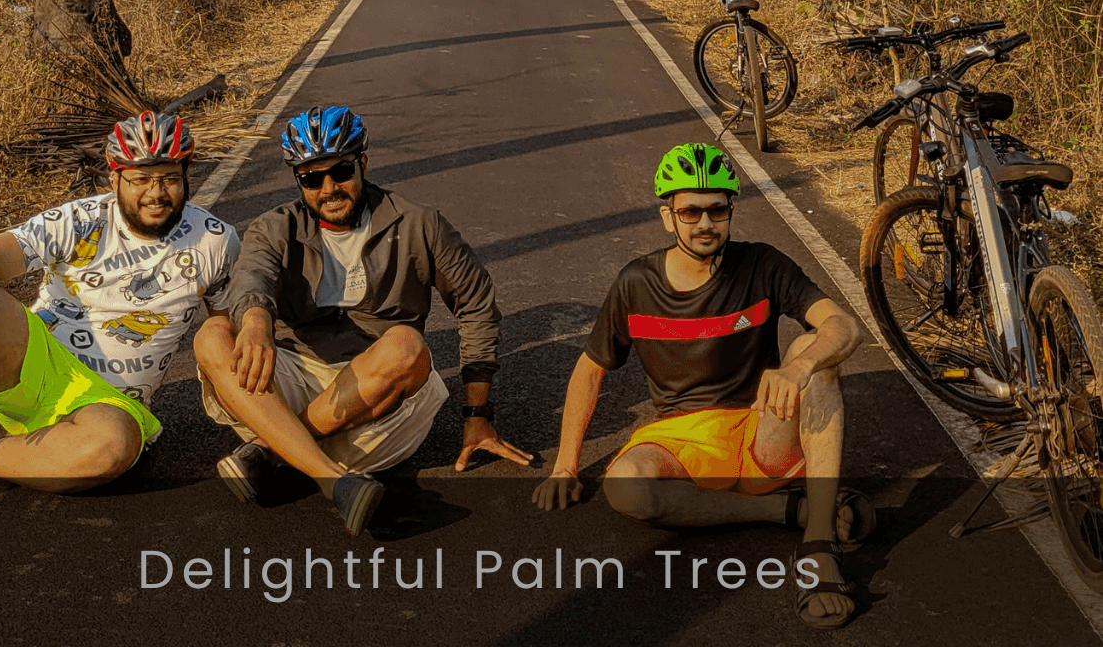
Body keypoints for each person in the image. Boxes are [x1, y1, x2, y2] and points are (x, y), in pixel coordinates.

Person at [0, 109, 238, 561]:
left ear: (186, 175)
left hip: (110, 406)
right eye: (139, 180)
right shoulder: (81, 219)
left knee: (111, 449)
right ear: (115, 179)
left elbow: (227, 324)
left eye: (169, 178)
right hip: (38, 363)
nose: (155, 193)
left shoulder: (216, 242)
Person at [531, 141, 869, 630]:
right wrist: (565, 465)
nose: (705, 223)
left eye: (717, 210)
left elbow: (845, 327)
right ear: (668, 216)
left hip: (760, 430)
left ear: (730, 212)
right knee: (625, 487)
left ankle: (818, 547)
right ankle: (787, 510)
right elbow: (590, 368)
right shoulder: (636, 283)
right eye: (690, 211)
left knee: (816, 355)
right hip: (682, 441)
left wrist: (799, 367)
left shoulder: (761, 264)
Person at [194, 103, 530, 533]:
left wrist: (477, 416)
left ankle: (275, 451)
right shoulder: (274, 227)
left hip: (376, 401)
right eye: (312, 178)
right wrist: (256, 324)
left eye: (341, 172)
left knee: (406, 345)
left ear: (363, 163)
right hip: (295, 379)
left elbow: (477, 305)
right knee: (212, 334)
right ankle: (333, 480)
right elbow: (252, 278)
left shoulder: (420, 224)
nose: (329, 188)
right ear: (298, 180)